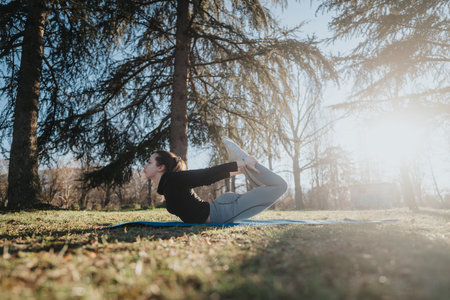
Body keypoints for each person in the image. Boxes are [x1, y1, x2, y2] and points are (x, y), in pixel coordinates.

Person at [143, 137, 287, 223]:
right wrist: (238, 169)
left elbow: (206, 175)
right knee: (273, 187)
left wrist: (239, 164)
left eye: (149, 162)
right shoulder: (168, 185)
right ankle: (244, 164)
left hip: (223, 212)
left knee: (280, 186)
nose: (145, 166)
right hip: (221, 209)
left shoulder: (173, 179)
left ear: (161, 167)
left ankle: (245, 161)